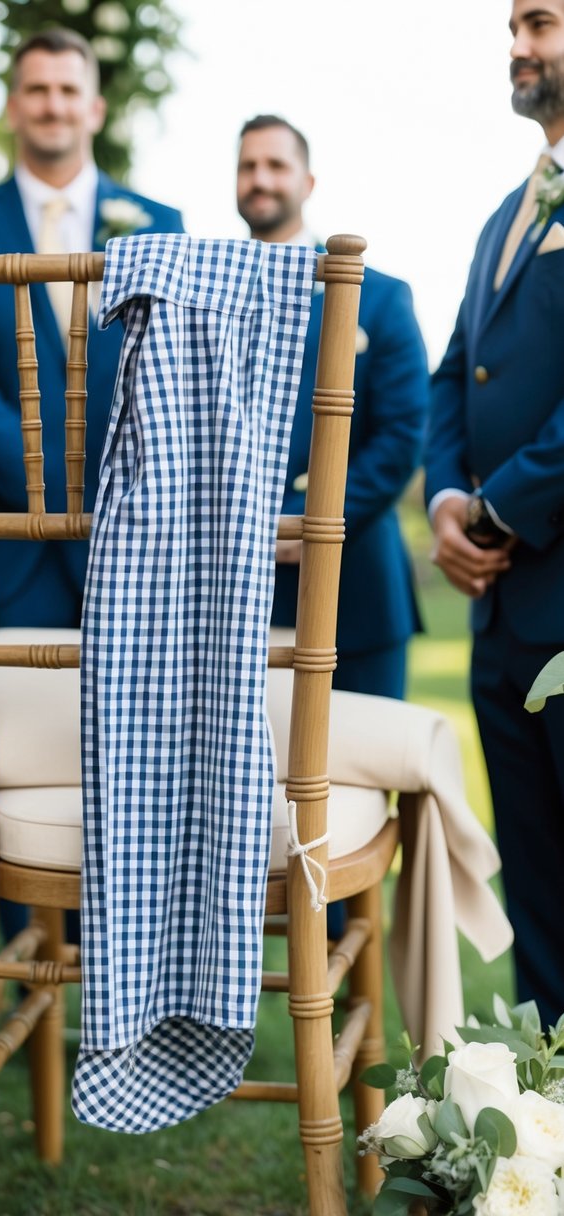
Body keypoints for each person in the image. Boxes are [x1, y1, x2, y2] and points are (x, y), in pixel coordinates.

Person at [0, 28, 185, 628]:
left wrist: (116, 488)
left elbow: (171, 373)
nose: (54, 104)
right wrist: (53, 483)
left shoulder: (161, 225)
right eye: (38, 90)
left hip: (136, 532)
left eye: (69, 89)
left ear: (95, 108)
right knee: (22, 717)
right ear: (13, 107)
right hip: (18, 538)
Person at [426, 0, 564, 1027]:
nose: (516, 46)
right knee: (540, 896)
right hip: (499, 623)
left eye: (538, 23)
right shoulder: (499, 218)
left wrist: (498, 506)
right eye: (512, 27)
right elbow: (447, 379)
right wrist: (441, 501)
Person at [236, 115, 429, 700]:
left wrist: (306, 522)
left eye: (276, 165)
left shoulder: (381, 297)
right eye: (247, 166)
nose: (260, 179)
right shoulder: (205, 298)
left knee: (361, 780)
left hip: (356, 594)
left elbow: (401, 438)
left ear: (308, 182)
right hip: (233, 594)